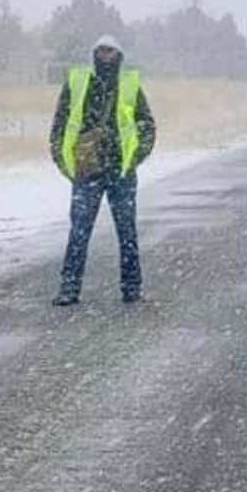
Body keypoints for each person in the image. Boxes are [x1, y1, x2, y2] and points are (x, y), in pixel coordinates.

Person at [49, 35, 158, 306]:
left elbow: (146, 123)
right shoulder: (77, 82)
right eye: (100, 51)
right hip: (87, 170)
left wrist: (134, 157)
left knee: (127, 232)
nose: (105, 55)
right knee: (79, 231)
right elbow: (60, 124)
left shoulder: (130, 84)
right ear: (94, 54)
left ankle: (131, 288)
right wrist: (65, 163)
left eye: (110, 51)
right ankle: (69, 288)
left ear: (119, 55)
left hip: (121, 170)